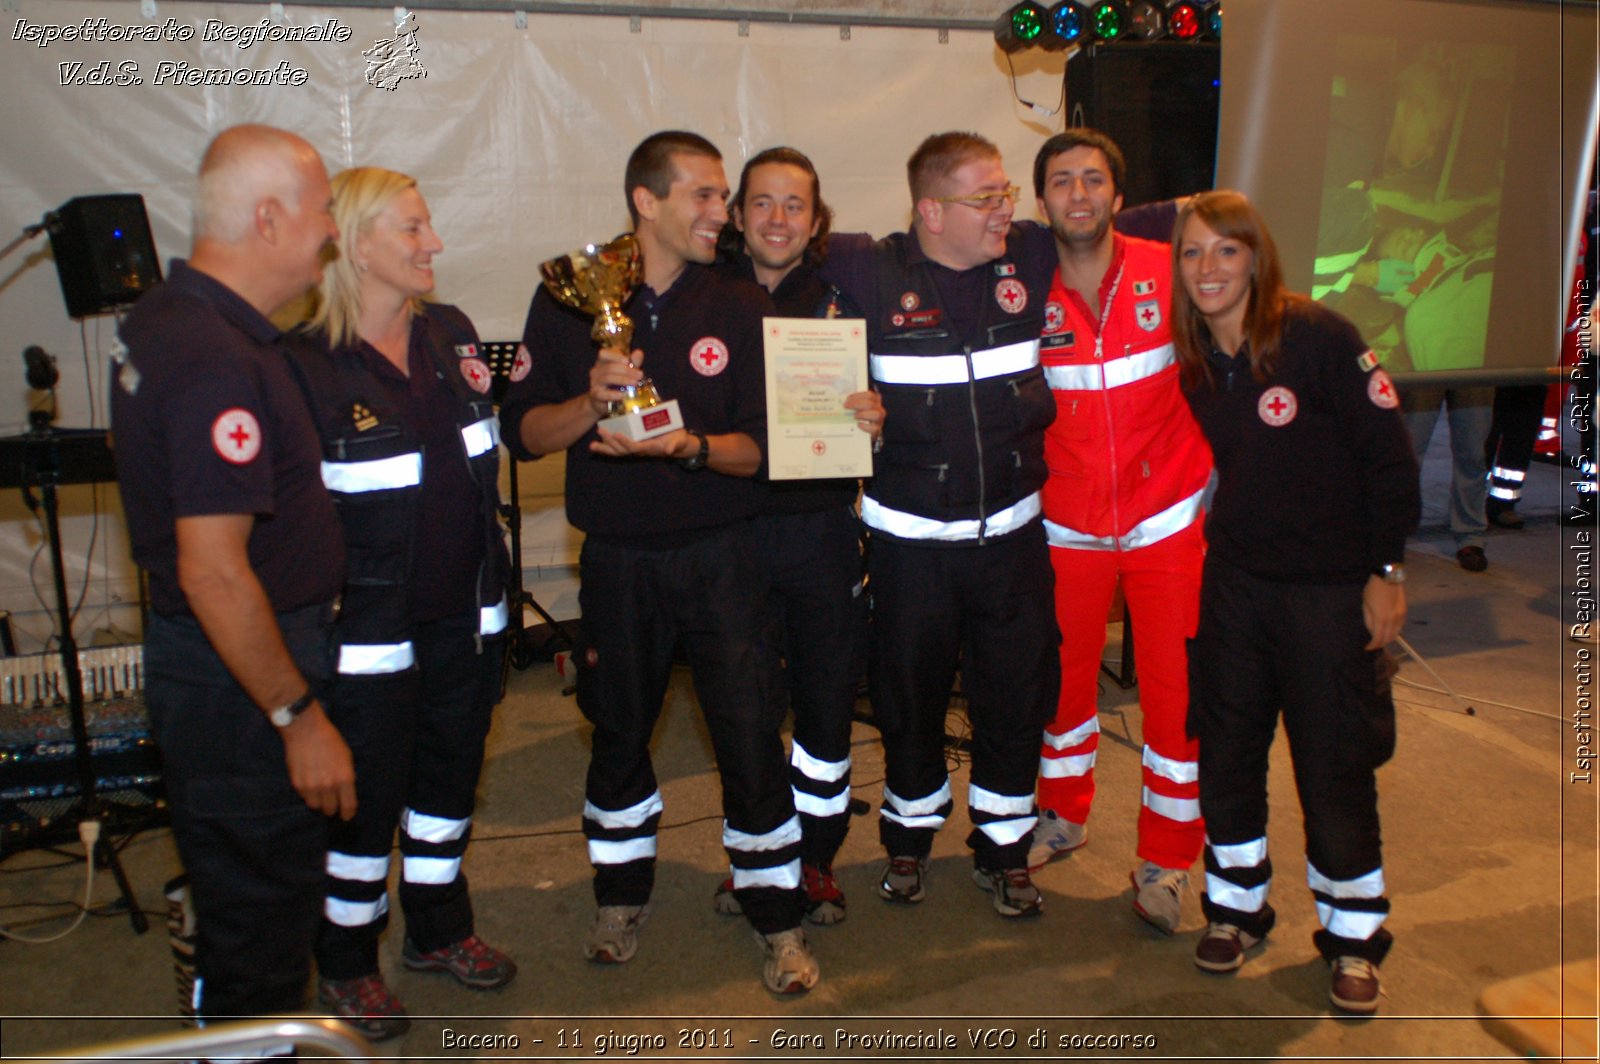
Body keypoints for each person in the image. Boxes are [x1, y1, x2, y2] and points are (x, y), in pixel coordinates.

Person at [499, 130, 818, 995]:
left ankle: (777, 918)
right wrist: (588, 402)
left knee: (752, 738)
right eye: (707, 195)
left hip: (723, 558)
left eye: (725, 197)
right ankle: (620, 895)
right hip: (617, 564)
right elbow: (523, 435)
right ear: (647, 200)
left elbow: (769, 450)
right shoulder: (568, 297)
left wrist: (690, 449)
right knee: (617, 736)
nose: (726, 213)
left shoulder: (741, 304)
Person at [110, 124, 352, 1023]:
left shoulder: (169, 320)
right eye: (324, 211)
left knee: (244, 907)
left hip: (213, 667)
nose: (330, 233)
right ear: (268, 219)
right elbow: (214, 573)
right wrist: (296, 718)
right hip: (240, 684)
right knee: (259, 930)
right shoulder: (214, 358)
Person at [1171, 190, 1419, 1015]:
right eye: (1193, 253)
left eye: (1226, 251)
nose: (1208, 269)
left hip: (1328, 594)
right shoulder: (1196, 356)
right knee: (1228, 753)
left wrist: (1385, 571)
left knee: (1334, 765)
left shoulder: (1317, 336)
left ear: (1256, 258)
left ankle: (1353, 938)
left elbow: (1388, 458)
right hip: (1236, 588)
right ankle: (1235, 910)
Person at [290, 168, 516, 1040]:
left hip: (468, 621)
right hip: (366, 642)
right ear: (355, 244)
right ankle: (347, 964)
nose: (435, 244)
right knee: (362, 807)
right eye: (414, 229)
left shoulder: (451, 333)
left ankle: (439, 929)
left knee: (448, 788)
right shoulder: (302, 365)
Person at [822, 131, 1059, 917]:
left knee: (1015, 700)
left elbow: (1132, 221)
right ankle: (909, 839)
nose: (1005, 210)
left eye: (1006, 194)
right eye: (986, 197)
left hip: (1015, 545)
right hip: (910, 550)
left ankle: (1005, 848)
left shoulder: (1028, 256)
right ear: (930, 211)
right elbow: (767, 246)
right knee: (907, 701)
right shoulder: (866, 267)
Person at [1023, 130, 1212, 935]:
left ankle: (1166, 861)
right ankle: (1061, 814)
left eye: (1093, 180)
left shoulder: (1169, 270)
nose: (1077, 195)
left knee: (1175, 697)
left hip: (1165, 514)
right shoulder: (1019, 286)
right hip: (1065, 521)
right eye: (1061, 182)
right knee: (1062, 683)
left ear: (1117, 195)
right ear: (1042, 204)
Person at [710, 147, 884, 925]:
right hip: (729, 532)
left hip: (819, 532)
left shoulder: (844, 306)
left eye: (794, 206)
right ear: (738, 215)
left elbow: (882, 412)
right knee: (746, 714)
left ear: (816, 223)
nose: (777, 219)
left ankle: (814, 859)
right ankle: (758, 860)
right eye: (762, 203)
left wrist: (876, 422)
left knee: (822, 712)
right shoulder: (705, 301)